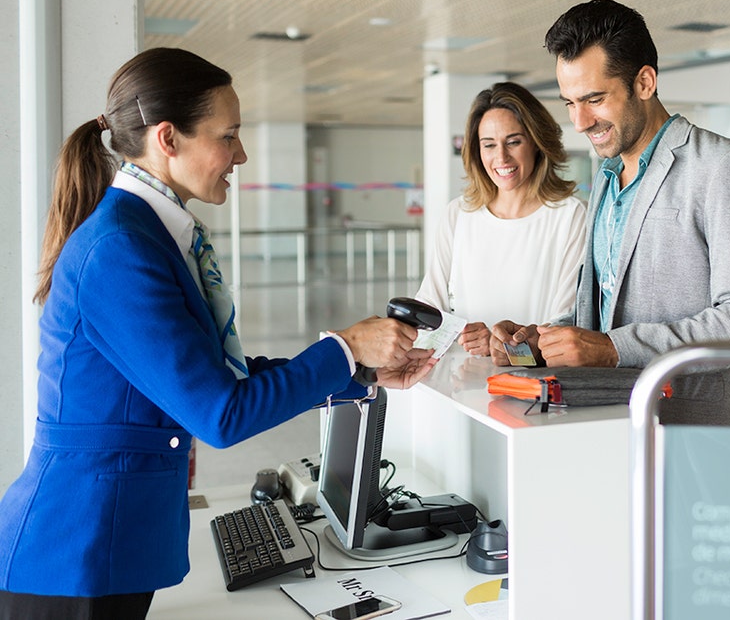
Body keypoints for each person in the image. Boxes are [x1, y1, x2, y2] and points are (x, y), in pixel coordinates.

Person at [0, 48, 436, 620]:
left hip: (109, 543)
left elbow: (215, 376)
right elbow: (220, 413)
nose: (241, 154)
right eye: (227, 136)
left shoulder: (148, 234)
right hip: (73, 549)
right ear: (168, 138)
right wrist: (345, 347)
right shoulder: (120, 250)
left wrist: (358, 373)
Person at [489, 0, 730, 426]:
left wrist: (613, 349)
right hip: (608, 430)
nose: (579, 121)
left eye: (593, 99)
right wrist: (544, 339)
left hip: (694, 434)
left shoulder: (726, 168)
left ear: (644, 82)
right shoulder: (607, 180)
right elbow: (606, 312)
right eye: (570, 102)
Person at [416, 82, 587, 356]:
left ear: (536, 143)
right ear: (476, 150)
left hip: (535, 388)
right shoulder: (458, 214)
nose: (501, 157)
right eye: (489, 145)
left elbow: (565, 329)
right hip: (461, 386)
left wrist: (506, 348)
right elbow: (428, 312)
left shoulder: (571, 216)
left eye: (513, 141)